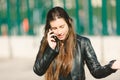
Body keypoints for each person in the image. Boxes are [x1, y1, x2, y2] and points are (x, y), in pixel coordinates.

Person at [33, 6, 120, 80]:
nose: (59, 32)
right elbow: (38, 71)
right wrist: (51, 49)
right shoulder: (48, 42)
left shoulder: (82, 43)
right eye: (55, 28)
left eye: (62, 26)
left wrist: (111, 67)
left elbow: (96, 71)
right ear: (50, 29)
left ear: (68, 22)